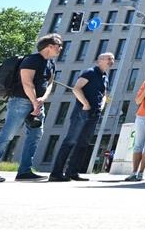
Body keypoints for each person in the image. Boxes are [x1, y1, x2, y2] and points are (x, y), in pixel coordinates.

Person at [0, 33, 62, 182]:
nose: (61, 48)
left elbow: (50, 83)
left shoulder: (51, 63)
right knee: (7, 136)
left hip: (38, 103)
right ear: (49, 46)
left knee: (35, 135)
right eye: (59, 46)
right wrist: (34, 102)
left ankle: (24, 172)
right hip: (20, 101)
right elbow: (27, 82)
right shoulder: (31, 60)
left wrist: (42, 99)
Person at [49, 52, 115, 181]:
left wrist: (101, 106)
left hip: (94, 114)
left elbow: (104, 94)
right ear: (99, 60)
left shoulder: (105, 77)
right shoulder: (89, 72)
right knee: (70, 141)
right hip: (82, 112)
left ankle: (72, 172)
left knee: (83, 143)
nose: (111, 61)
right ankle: (56, 174)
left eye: (112, 59)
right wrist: (85, 104)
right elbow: (76, 88)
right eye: (109, 58)